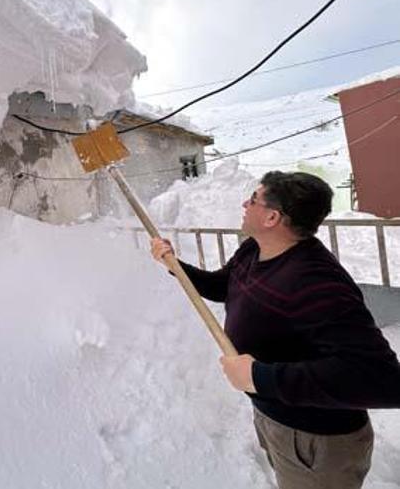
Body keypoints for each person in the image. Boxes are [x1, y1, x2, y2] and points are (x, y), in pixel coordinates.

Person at [150, 171, 400, 489]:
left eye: (253, 199)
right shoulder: (253, 250)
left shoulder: (316, 281)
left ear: (272, 217)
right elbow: (222, 285)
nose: (245, 203)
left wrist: (260, 378)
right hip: (275, 419)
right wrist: (175, 265)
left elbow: (382, 379)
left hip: (317, 441)